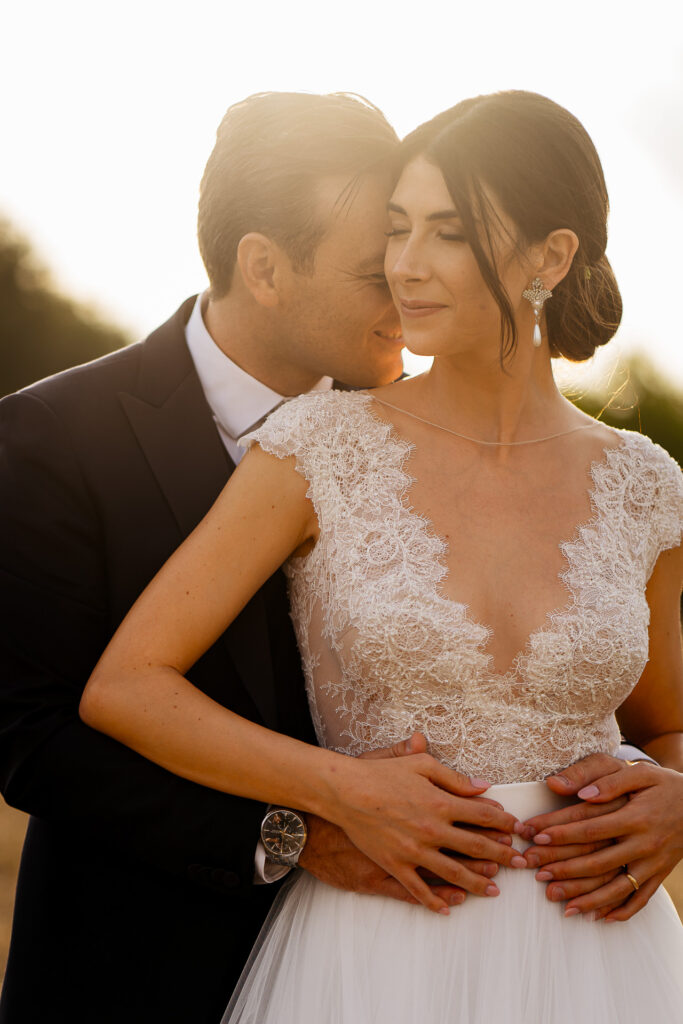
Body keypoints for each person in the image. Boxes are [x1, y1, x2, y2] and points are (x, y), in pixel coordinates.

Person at [77, 90, 683, 1021]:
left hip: (599, 955)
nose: (404, 265)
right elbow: (126, 684)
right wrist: (341, 789)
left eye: (447, 232)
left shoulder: (645, 483)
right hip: (377, 949)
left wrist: (678, 801)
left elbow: (664, 727)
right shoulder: (318, 445)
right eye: (397, 228)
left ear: (550, 257)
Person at [0, 92, 484, 1024]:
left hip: (390, 972)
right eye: (373, 269)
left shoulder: (424, 441)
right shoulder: (52, 438)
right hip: (135, 973)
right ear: (263, 267)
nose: (408, 290)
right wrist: (291, 836)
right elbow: (32, 740)